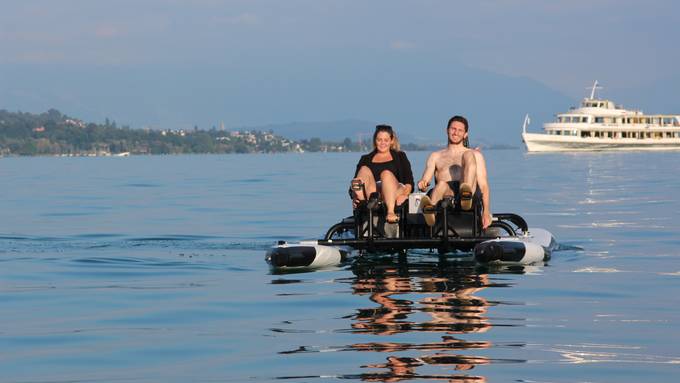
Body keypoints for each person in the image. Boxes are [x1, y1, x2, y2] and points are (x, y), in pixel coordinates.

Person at [417, 115, 492, 229]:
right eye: (453, 129)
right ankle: (430, 212)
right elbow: (425, 181)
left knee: (468, 155)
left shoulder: (475, 155)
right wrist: (422, 184)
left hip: (469, 191)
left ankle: (465, 196)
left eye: (460, 130)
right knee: (441, 184)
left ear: (465, 134)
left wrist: (486, 211)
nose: (456, 133)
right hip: (446, 196)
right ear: (447, 130)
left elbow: (484, 186)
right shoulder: (435, 156)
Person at [351, 125, 414, 223]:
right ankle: (362, 202)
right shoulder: (365, 159)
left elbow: (409, 182)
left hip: (395, 191)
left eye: (386, 140)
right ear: (375, 140)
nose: (382, 143)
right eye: (379, 140)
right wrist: (354, 197)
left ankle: (390, 212)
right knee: (363, 169)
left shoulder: (400, 156)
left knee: (385, 174)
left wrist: (405, 195)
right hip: (373, 193)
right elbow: (357, 182)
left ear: (391, 140)